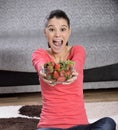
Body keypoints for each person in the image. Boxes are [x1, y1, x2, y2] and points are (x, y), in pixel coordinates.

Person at [32, 9, 116, 130]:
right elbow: (40, 65)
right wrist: (44, 72)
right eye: (51, 29)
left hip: (81, 127)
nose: (57, 34)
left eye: (63, 29)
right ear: (45, 32)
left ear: (69, 32)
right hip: (49, 127)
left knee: (108, 123)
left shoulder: (77, 50)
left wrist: (70, 72)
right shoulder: (39, 53)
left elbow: (77, 63)